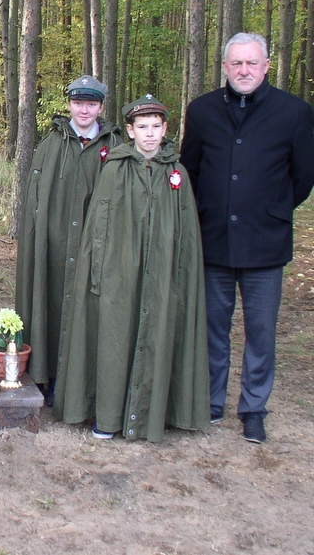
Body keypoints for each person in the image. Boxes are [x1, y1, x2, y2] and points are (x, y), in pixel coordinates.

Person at [181, 32, 314, 444]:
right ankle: (210, 400)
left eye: (252, 63)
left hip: (265, 242)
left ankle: (254, 408)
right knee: (212, 329)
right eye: (236, 63)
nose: (244, 70)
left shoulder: (294, 112)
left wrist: (273, 209)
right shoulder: (201, 110)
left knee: (261, 332)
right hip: (213, 239)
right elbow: (190, 170)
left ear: (266, 66)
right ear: (225, 67)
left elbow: (303, 176)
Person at [54, 95, 210, 442]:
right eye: (142, 127)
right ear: (130, 130)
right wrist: (100, 273)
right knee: (116, 334)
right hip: (119, 272)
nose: (149, 134)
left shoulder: (177, 174)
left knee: (158, 333)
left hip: (162, 272)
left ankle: (154, 416)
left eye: (156, 127)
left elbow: (186, 234)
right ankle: (108, 416)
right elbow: (98, 229)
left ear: (165, 130)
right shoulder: (115, 169)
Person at [15, 75, 122, 405]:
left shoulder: (115, 145)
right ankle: (46, 376)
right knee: (51, 305)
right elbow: (36, 199)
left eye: (91, 104)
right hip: (55, 244)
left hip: (95, 245)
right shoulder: (52, 144)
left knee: (88, 312)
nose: (84, 110)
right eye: (78, 103)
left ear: (100, 107)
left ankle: (81, 385)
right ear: (70, 105)